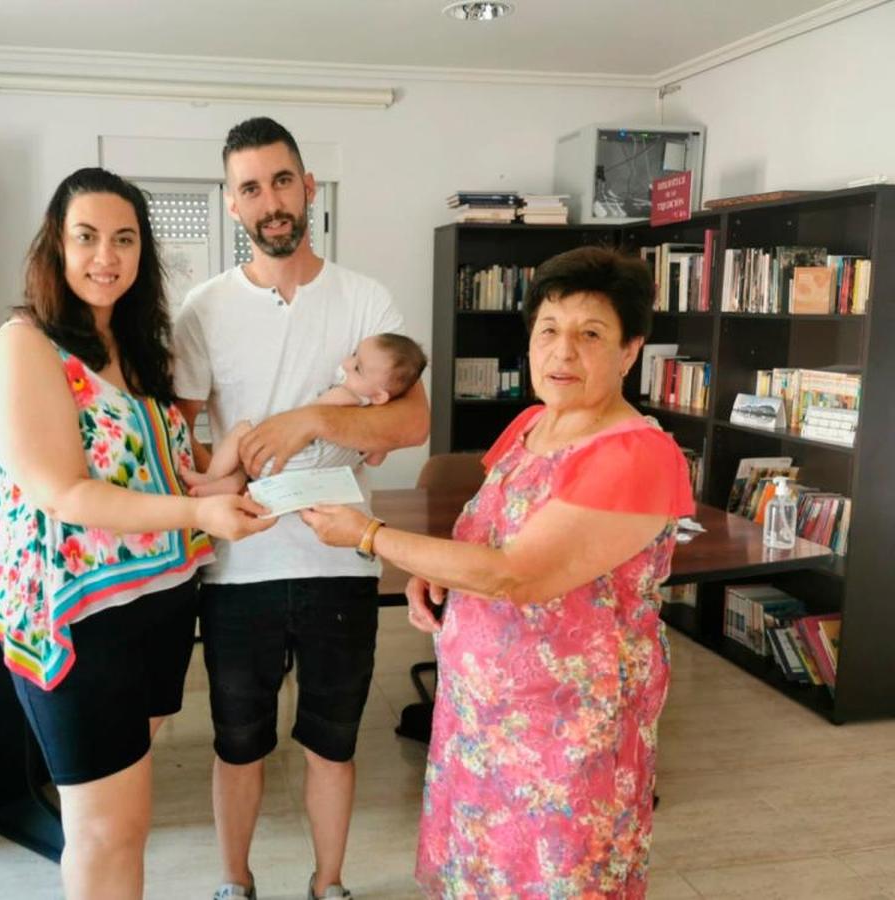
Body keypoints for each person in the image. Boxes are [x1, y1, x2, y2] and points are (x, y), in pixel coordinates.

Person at [301, 246, 695, 898]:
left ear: (630, 352)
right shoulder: (531, 424)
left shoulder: (635, 454)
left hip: (567, 737)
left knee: (555, 879)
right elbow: (486, 534)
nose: (562, 352)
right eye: (548, 331)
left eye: (589, 334)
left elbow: (517, 574)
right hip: (481, 721)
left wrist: (370, 535)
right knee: (479, 875)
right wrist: (443, 575)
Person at [0, 166, 274, 900]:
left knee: (121, 814)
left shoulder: (141, 349)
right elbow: (67, 493)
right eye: (86, 237)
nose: (104, 256)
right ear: (56, 244)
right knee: (108, 829)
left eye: (123, 239)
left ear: (143, 252)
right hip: (81, 613)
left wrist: (224, 471)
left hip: (160, 602)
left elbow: (164, 479)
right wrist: (200, 513)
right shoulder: (25, 346)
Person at [172, 117, 430, 900]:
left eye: (283, 181)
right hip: (236, 567)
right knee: (237, 745)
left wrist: (314, 420)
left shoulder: (365, 299)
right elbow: (178, 445)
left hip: (338, 558)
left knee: (333, 743)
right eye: (251, 187)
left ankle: (329, 885)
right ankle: (234, 884)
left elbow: (410, 422)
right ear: (231, 204)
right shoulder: (203, 308)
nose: (271, 201)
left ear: (308, 186)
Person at [185, 332, 428, 495]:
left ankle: (212, 477)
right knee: (247, 473)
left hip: (286, 458)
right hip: (303, 480)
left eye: (357, 367)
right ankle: (227, 484)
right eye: (354, 353)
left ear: (378, 396)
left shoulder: (345, 396)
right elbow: (375, 460)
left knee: (243, 431)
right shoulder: (376, 430)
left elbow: (306, 417)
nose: (346, 363)